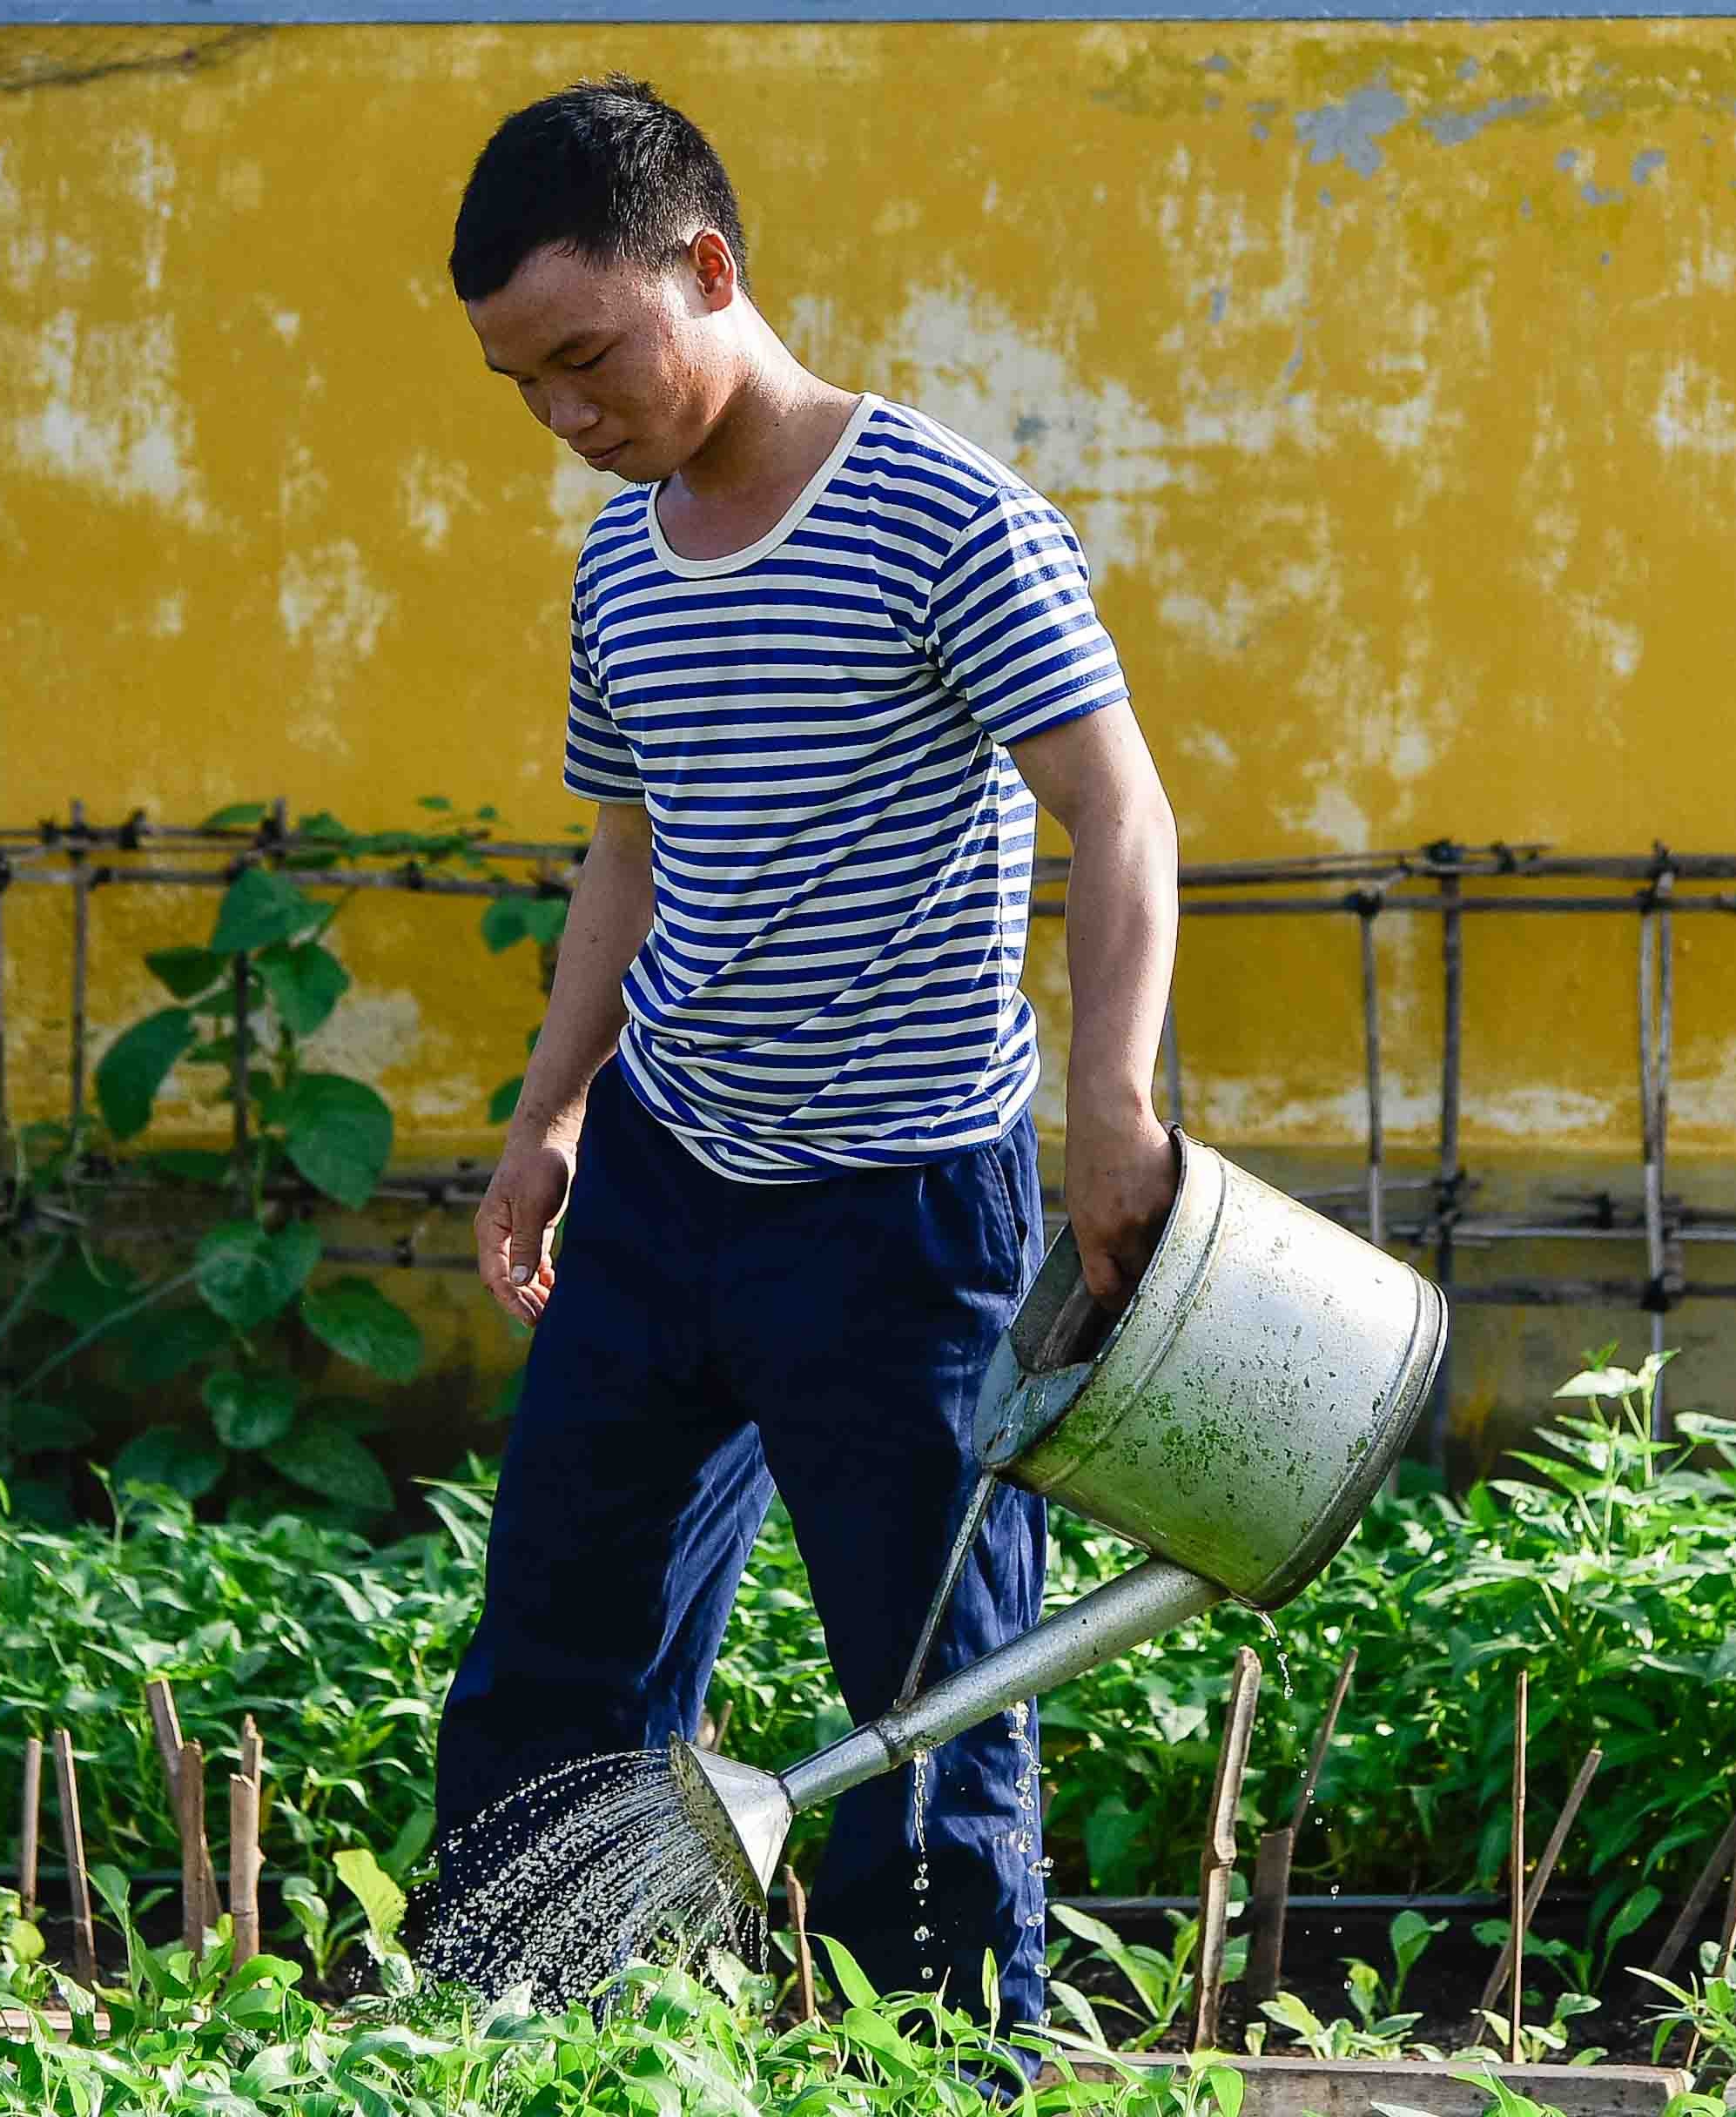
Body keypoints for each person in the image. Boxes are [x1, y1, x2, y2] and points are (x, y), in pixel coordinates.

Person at [431, 74, 1181, 2031]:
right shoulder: (621, 556)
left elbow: (1121, 810)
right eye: (525, 385)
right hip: (668, 1184)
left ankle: (937, 2077)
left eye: (589, 358)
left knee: (924, 1722)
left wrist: (1109, 1105)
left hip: (904, 1218)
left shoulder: (939, 512)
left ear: (708, 267)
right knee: (552, 1667)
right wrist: (551, 1115)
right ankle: (523, 2054)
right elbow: (629, 845)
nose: (569, 416)